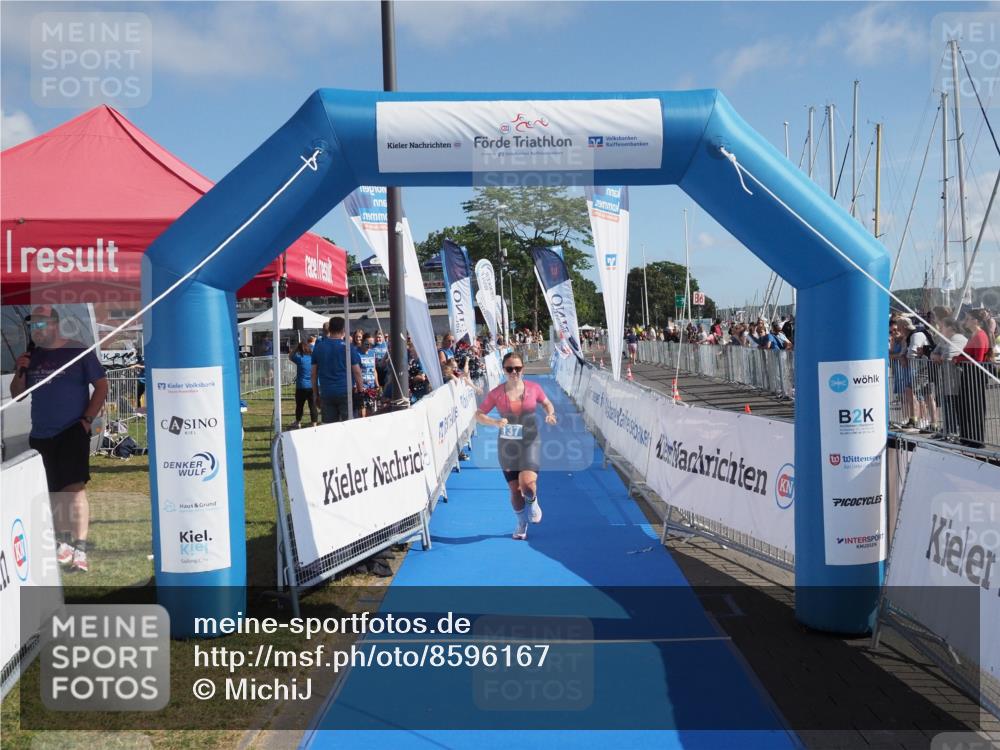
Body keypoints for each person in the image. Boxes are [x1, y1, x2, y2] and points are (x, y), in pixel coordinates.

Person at [9, 305, 108, 573]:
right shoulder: (32, 357)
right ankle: (62, 544)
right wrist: (21, 370)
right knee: (52, 493)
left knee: (73, 489)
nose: (37, 331)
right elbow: (18, 394)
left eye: (41, 325)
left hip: (71, 430)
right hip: (42, 433)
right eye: (32, 327)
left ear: (55, 324)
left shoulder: (77, 350)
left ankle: (81, 547)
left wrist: (87, 420)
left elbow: (102, 385)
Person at [474, 352, 557, 540]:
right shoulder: (496, 393)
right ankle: (521, 522)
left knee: (527, 484)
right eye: (510, 369)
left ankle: (533, 501)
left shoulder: (534, 388)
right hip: (507, 445)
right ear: (504, 370)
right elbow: (478, 414)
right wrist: (494, 423)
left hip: (530, 441)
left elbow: (547, 403)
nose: (514, 372)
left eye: (517, 368)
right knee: (515, 490)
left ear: (523, 369)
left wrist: (550, 414)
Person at [311, 316, 363, 423]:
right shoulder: (348, 347)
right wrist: (360, 391)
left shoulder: (319, 347)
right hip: (346, 392)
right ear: (343, 330)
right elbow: (357, 372)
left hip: (326, 392)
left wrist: (316, 394)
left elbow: (313, 374)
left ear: (329, 329)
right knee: (349, 426)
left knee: (329, 428)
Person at [289, 338, 317, 428]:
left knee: (299, 406)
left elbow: (290, 356)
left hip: (301, 386)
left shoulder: (299, 358)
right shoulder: (313, 358)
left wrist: (296, 348)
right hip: (312, 385)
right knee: (312, 405)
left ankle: (298, 422)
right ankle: (314, 423)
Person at [356, 332, 381, 417]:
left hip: (371, 386)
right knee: (362, 413)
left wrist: (377, 384)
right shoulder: (356, 353)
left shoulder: (372, 352)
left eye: (371, 344)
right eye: (367, 344)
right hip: (362, 387)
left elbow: (374, 369)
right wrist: (358, 386)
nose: (369, 346)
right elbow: (355, 371)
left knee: (371, 412)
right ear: (362, 342)